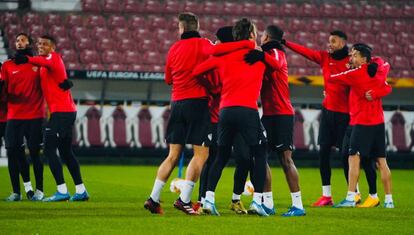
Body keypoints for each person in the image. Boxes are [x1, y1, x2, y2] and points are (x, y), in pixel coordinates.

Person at [192, 18, 282, 217]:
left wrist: (213, 88)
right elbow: (277, 67)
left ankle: (208, 199)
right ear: (251, 35)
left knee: (221, 156)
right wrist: (260, 54)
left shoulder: (223, 55)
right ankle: (258, 201)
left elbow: (197, 71)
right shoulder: (258, 55)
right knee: (259, 154)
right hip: (248, 111)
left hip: (225, 112)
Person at [144, 12, 213, 215]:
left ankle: (153, 198)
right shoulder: (205, 44)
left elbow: (168, 79)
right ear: (197, 26)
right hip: (198, 103)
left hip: (177, 103)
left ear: (181, 28)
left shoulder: (174, 48)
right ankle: (184, 200)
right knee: (201, 154)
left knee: (172, 155)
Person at [14, 35, 89, 202]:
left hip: (62, 113)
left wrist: (25, 57)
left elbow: (46, 63)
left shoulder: (52, 58)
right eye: (39, 44)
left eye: (45, 44)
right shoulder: (42, 65)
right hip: (64, 112)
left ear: (52, 47)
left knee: (49, 149)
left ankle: (62, 191)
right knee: (65, 152)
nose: (41, 46)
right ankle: (81, 190)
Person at [284, 31, 352, 206]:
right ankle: (326, 196)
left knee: (346, 157)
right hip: (327, 113)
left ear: (344, 43)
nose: (330, 44)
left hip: (346, 115)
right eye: (329, 41)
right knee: (323, 154)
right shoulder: (324, 58)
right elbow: (305, 52)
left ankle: (353, 194)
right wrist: (285, 42)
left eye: (334, 41)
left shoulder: (352, 62)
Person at [328, 44, 392, 208]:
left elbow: (332, 77)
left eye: (355, 55)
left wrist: (346, 67)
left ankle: (351, 197)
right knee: (381, 162)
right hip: (378, 122)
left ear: (364, 59)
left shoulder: (357, 73)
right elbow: (387, 85)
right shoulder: (379, 70)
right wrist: (376, 92)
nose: (352, 58)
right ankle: (388, 200)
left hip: (362, 122)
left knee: (353, 159)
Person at [260, 25, 305, 216]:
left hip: (282, 114)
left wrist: (258, 54)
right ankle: (268, 204)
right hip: (269, 114)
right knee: (261, 158)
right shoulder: (266, 54)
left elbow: (276, 64)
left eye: (262, 35)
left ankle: (298, 206)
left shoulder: (276, 52)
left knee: (285, 160)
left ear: (267, 37)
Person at [0, 33, 45, 201]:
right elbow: (3, 90)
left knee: (34, 152)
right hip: (14, 116)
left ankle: (39, 190)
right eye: (17, 40)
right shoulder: (7, 66)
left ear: (29, 43)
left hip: (35, 116)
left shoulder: (38, 64)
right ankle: (16, 192)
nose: (19, 42)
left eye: (23, 40)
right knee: (12, 152)